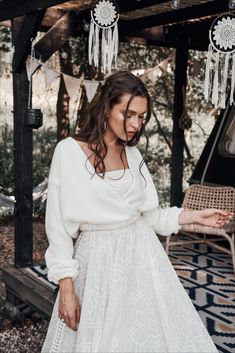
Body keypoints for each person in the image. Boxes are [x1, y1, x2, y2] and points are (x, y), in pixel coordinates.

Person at [41, 71, 232, 353]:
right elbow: (57, 228)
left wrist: (195, 215)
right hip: (97, 263)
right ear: (107, 107)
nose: (135, 125)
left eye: (141, 117)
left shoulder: (133, 155)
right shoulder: (68, 152)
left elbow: (151, 216)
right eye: (128, 114)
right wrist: (66, 288)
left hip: (144, 262)